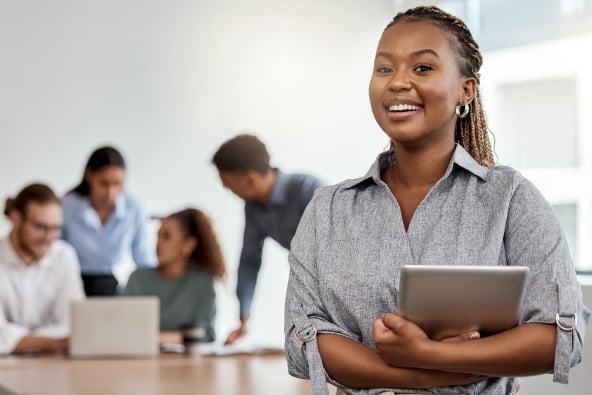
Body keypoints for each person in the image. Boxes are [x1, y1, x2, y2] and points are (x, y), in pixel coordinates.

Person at [284, 6, 590, 395]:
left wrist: (427, 353)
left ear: (467, 90)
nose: (398, 83)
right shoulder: (327, 208)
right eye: (384, 69)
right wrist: (419, 373)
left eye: (423, 68)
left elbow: (560, 336)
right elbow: (304, 337)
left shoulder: (510, 199)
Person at [212, 133, 324, 345]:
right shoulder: (253, 208)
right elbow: (249, 261)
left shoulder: (309, 189)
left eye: (227, 183)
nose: (227, 189)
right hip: (306, 285)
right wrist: (244, 317)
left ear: (251, 179)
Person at [0, 183, 85, 354]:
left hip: (51, 364)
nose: (49, 238)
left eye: (55, 229)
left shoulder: (64, 256)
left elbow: (74, 324)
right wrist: (53, 342)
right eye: (41, 227)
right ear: (16, 219)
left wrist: (23, 340)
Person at [61, 145, 156, 296]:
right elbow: (56, 252)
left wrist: (156, 287)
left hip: (110, 284)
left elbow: (143, 255)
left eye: (117, 184)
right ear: (89, 175)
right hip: (72, 283)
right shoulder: (67, 205)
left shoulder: (133, 207)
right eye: (104, 184)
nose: (110, 193)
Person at [124, 208, 226, 344]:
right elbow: (123, 327)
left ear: (189, 244)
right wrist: (183, 337)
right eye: (157, 236)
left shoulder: (203, 282)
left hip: (187, 363)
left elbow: (206, 333)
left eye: (166, 237)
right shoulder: (138, 279)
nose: (158, 244)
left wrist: (157, 339)